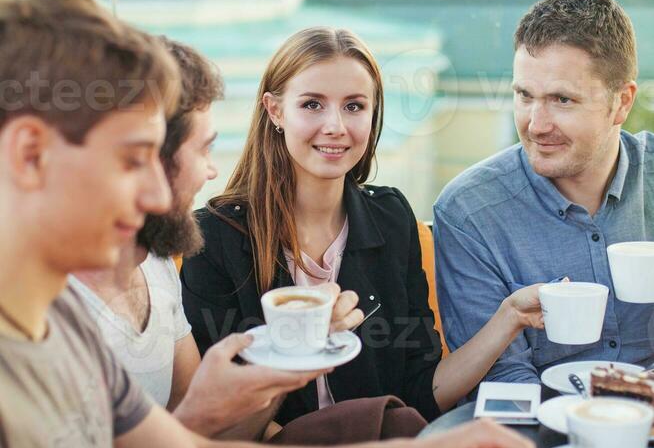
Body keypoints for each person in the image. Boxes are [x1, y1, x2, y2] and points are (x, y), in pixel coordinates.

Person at [0, 0, 536, 448]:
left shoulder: (60, 322)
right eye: (131, 160)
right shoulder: (189, 251)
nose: (158, 196)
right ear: (29, 155)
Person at [181, 27, 546, 425]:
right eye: (312, 104)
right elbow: (220, 429)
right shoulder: (214, 238)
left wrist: (509, 317)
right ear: (275, 111)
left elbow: (420, 393)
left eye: (354, 107)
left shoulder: (391, 219)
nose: (336, 126)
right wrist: (300, 353)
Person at [434, 0, 652, 387]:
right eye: (524, 96)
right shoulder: (470, 210)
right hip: (540, 426)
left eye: (562, 100)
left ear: (622, 103)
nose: (536, 124)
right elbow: (504, 376)